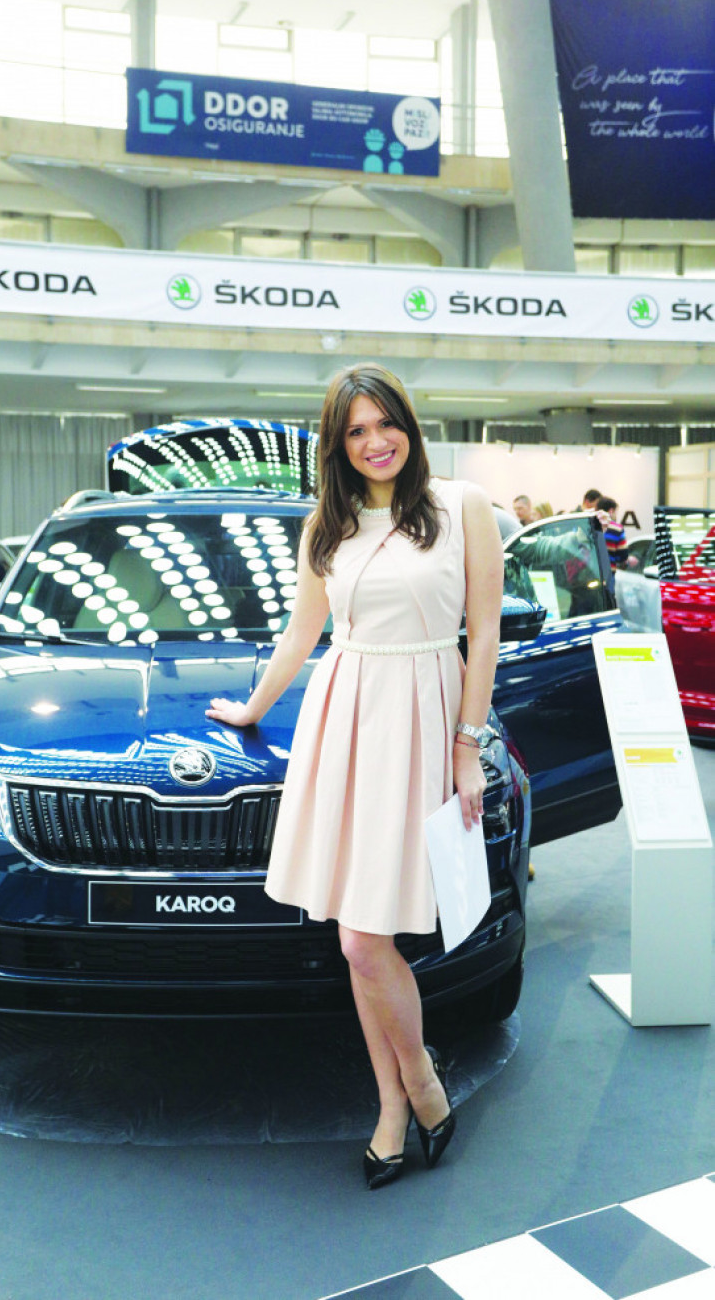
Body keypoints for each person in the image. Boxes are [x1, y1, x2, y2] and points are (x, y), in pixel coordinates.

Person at [206, 364, 503, 1189]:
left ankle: (417, 1089)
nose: (375, 442)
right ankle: (400, 1100)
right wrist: (254, 705)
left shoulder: (462, 506)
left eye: (385, 423)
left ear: (408, 424)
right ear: (337, 447)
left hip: (424, 717)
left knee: (366, 939)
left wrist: (467, 745)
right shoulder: (326, 526)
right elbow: (303, 632)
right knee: (357, 936)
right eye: (356, 431)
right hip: (347, 721)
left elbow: (484, 632)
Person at [595, 496, 627, 567]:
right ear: (611, 511)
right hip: (609, 570)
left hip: (591, 570)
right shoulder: (617, 529)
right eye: (616, 512)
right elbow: (622, 556)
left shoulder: (590, 526)